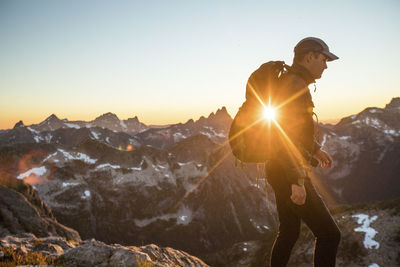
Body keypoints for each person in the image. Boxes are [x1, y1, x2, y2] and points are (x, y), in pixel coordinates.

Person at [265, 37, 341, 267]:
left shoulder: (292, 81)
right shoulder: (295, 85)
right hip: (288, 171)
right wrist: (296, 179)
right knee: (329, 234)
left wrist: (316, 150)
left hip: (278, 168)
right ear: (309, 57)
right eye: (323, 59)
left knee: (289, 232)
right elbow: (283, 134)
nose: (326, 65)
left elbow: (292, 129)